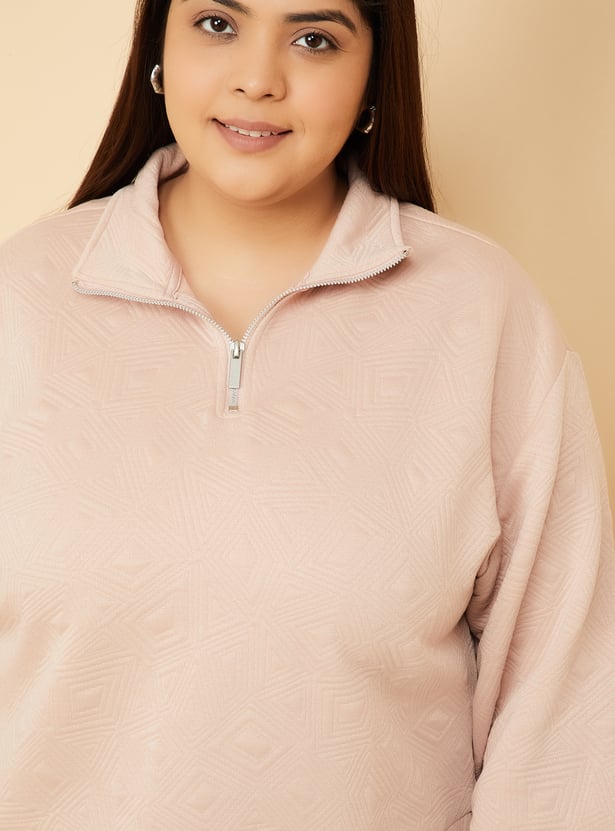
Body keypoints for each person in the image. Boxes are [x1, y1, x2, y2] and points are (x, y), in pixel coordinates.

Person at [1, 0, 614, 828]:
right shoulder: (21, 299)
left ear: (373, 77)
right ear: (158, 46)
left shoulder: (480, 315)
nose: (257, 79)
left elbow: (567, 708)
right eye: (217, 24)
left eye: (314, 39)